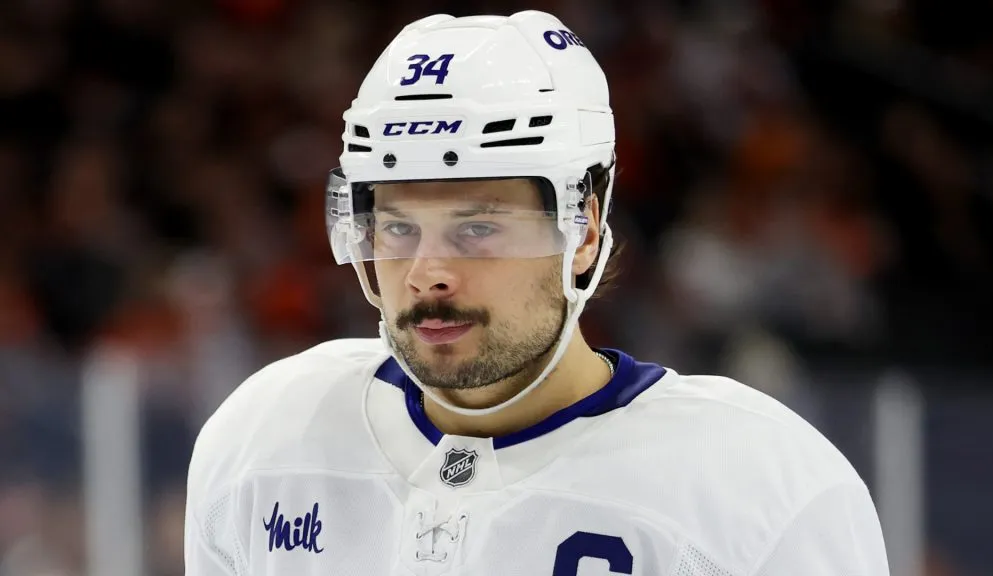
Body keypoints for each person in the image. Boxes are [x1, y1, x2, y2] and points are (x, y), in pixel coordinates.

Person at [184, 10, 889, 575]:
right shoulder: (266, 439)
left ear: (582, 228)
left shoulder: (758, 488)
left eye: (478, 227)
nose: (427, 272)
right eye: (397, 228)